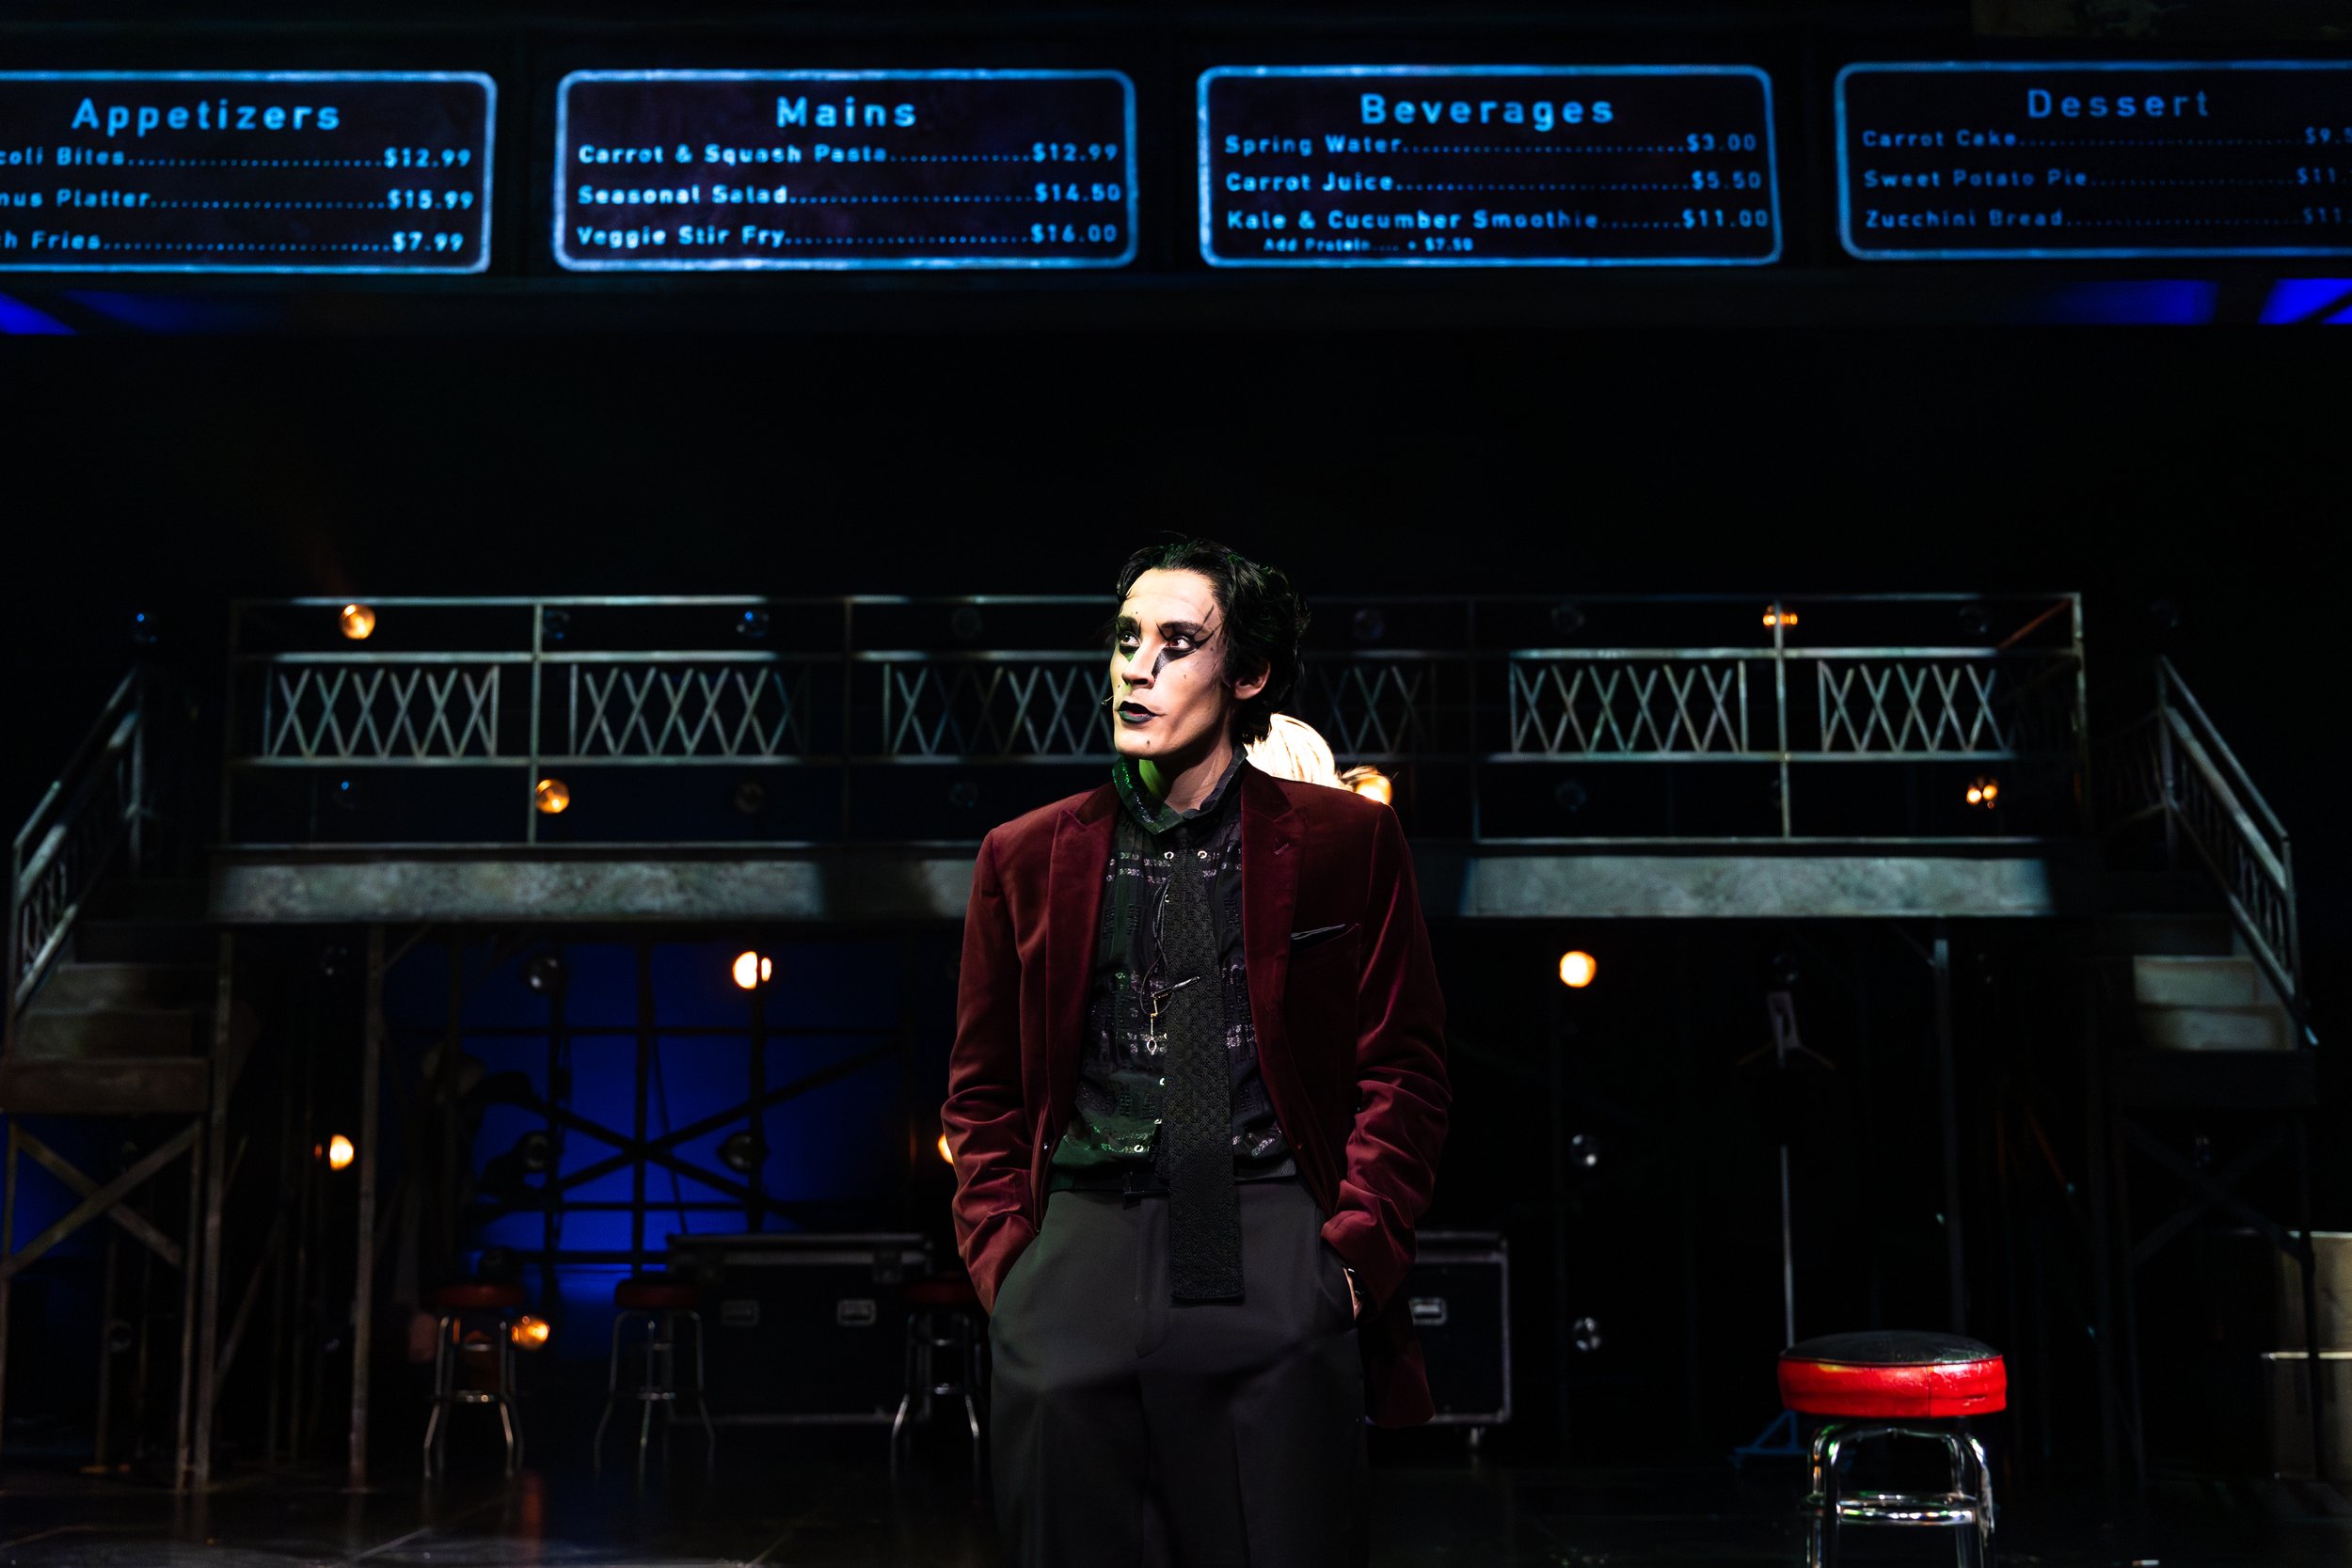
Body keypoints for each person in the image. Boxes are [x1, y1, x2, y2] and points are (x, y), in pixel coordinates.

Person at [941, 537, 1451, 1567]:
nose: (1140, 665)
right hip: (1077, 1244)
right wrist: (1008, 1260)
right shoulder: (1026, 853)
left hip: (1267, 1233)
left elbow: (1402, 1064)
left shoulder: (1345, 840)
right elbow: (981, 1083)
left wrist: (1349, 1256)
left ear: (1248, 672)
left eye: (1179, 642)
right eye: (1128, 639)